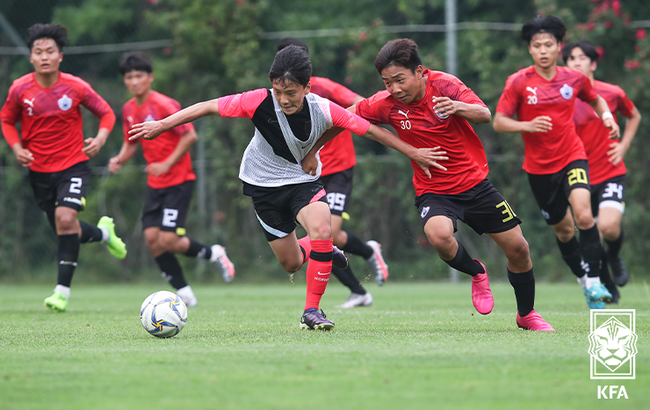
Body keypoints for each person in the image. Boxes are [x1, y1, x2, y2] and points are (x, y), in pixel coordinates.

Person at [128, 45, 442, 330]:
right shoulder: (258, 101)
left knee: (322, 227)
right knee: (291, 262)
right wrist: (161, 125)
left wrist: (413, 152)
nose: (284, 99)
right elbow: (208, 107)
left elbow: (371, 131)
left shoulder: (324, 108)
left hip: (302, 182)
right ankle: (323, 252)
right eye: (278, 91)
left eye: (291, 92)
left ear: (307, 87)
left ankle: (311, 311)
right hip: (261, 186)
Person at [310, 38, 554, 331]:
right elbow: (343, 117)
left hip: (476, 184)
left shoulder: (446, 86)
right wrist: (313, 150)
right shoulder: (384, 104)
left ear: (420, 72)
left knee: (519, 249)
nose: (394, 89)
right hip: (434, 190)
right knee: (438, 236)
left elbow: (485, 115)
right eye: (387, 82)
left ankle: (526, 314)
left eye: (400, 80)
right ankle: (477, 272)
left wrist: (457, 107)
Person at [493, 15, 621, 309]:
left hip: (572, 157)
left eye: (548, 44)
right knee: (564, 231)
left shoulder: (573, 78)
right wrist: (527, 126)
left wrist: (608, 118)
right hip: (538, 169)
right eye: (537, 45)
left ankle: (594, 280)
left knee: (584, 215)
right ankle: (582, 279)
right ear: (530, 49)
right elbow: (499, 122)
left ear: (558, 46)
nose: (543, 50)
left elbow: (596, 98)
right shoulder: (518, 82)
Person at [0, 23, 127, 311]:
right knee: (64, 227)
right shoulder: (20, 89)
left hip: (74, 165)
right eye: (38, 52)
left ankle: (61, 293)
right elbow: (6, 120)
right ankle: (104, 233)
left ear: (61, 56)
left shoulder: (76, 86)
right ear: (31, 57)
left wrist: (101, 138)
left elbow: (106, 113)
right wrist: (18, 148)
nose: (44, 56)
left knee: (66, 219)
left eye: (50, 51)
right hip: (39, 171)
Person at [108, 52, 235, 307]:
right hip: (156, 185)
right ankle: (185, 294)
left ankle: (214, 253)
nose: (134, 81)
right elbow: (131, 142)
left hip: (178, 180)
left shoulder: (164, 104)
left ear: (150, 77)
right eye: (129, 77)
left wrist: (166, 163)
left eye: (139, 76)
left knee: (168, 240)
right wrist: (120, 158)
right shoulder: (129, 109)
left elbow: (189, 136)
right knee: (153, 241)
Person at [276, 38, 388, 309]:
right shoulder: (279, 94)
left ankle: (368, 251)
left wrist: (336, 119)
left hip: (337, 168)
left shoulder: (324, 87)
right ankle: (358, 291)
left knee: (328, 233)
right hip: (306, 174)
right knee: (322, 236)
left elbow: (362, 104)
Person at [562, 40, 641, 305]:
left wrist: (624, 145)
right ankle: (605, 282)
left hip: (609, 171)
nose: (576, 62)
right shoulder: (562, 98)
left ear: (593, 63)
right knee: (589, 234)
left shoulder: (612, 93)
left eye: (582, 57)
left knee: (607, 227)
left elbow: (634, 116)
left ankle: (615, 255)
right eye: (571, 58)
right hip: (578, 176)